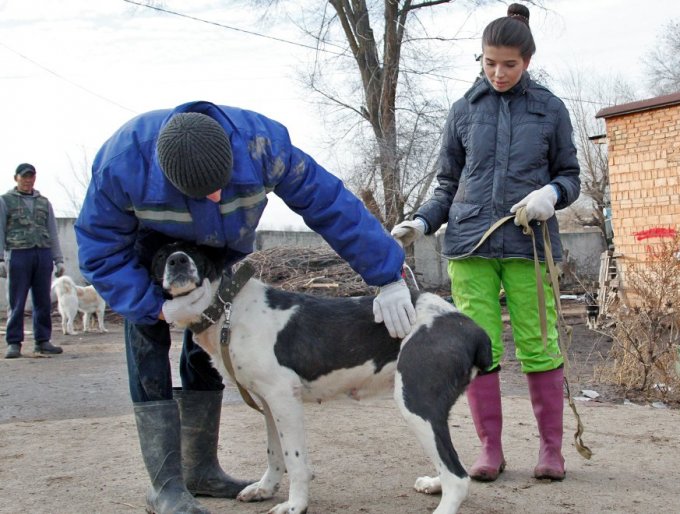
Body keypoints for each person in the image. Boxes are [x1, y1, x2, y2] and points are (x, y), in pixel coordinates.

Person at [74, 101, 416, 514]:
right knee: (146, 341)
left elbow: (329, 203)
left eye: (223, 185)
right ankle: (164, 485)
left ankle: (199, 468)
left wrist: (386, 274)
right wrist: (154, 308)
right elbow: (99, 252)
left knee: (215, 344)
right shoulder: (122, 164)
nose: (217, 196)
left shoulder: (263, 146)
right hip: (150, 254)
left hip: (218, 249)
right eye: (204, 192)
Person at [391, 3, 580, 483]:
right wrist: (422, 221)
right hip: (469, 244)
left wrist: (551, 194)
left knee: (538, 345)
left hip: (528, 245)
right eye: (489, 62)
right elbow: (447, 184)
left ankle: (551, 451)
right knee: (481, 349)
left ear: (527, 62)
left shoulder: (550, 109)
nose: (498, 73)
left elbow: (570, 176)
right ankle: (490, 450)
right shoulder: (461, 111)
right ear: (481, 58)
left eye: (509, 64)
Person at [1, 163, 66, 359]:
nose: (28, 180)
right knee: (17, 300)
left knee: (43, 301)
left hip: (43, 254)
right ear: (16, 178)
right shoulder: (5, 201)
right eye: (24, 177)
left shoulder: (44, 202)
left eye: (31, 177)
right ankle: (14, 343)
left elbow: (53, 232)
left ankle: (43, 341)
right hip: (18, 253)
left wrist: (59, 259)